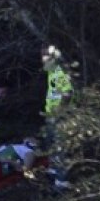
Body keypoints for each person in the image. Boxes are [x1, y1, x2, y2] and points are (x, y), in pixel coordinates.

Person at [42, 45, 74, 190]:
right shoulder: (51, 72)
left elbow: (67, 93)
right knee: (51, 144)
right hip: (50, 115)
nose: (43, 60)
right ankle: (53, 171)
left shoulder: (59, 72)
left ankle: (62, 180)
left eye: (46, 57)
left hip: (58, 117)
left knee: (60, 147)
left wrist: (59, 112)